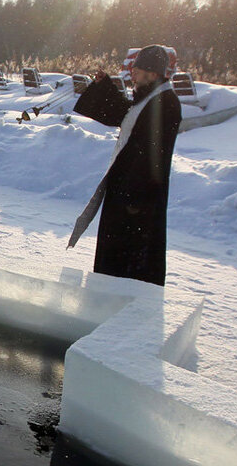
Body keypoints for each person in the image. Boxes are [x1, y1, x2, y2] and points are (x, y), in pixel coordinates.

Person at [68, 45, 181, 286]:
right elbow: (126, 115)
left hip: (139, 199)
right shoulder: (150, 96)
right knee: (116, 254)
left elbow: (153, 155)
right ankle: (107, 295)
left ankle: (124, 306)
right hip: (125, 191)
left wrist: (134, 197)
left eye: (137, 71)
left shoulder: (166, 102)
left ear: (152, 73)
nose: (133, 76)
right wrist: (105, 87)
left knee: (131, 260)